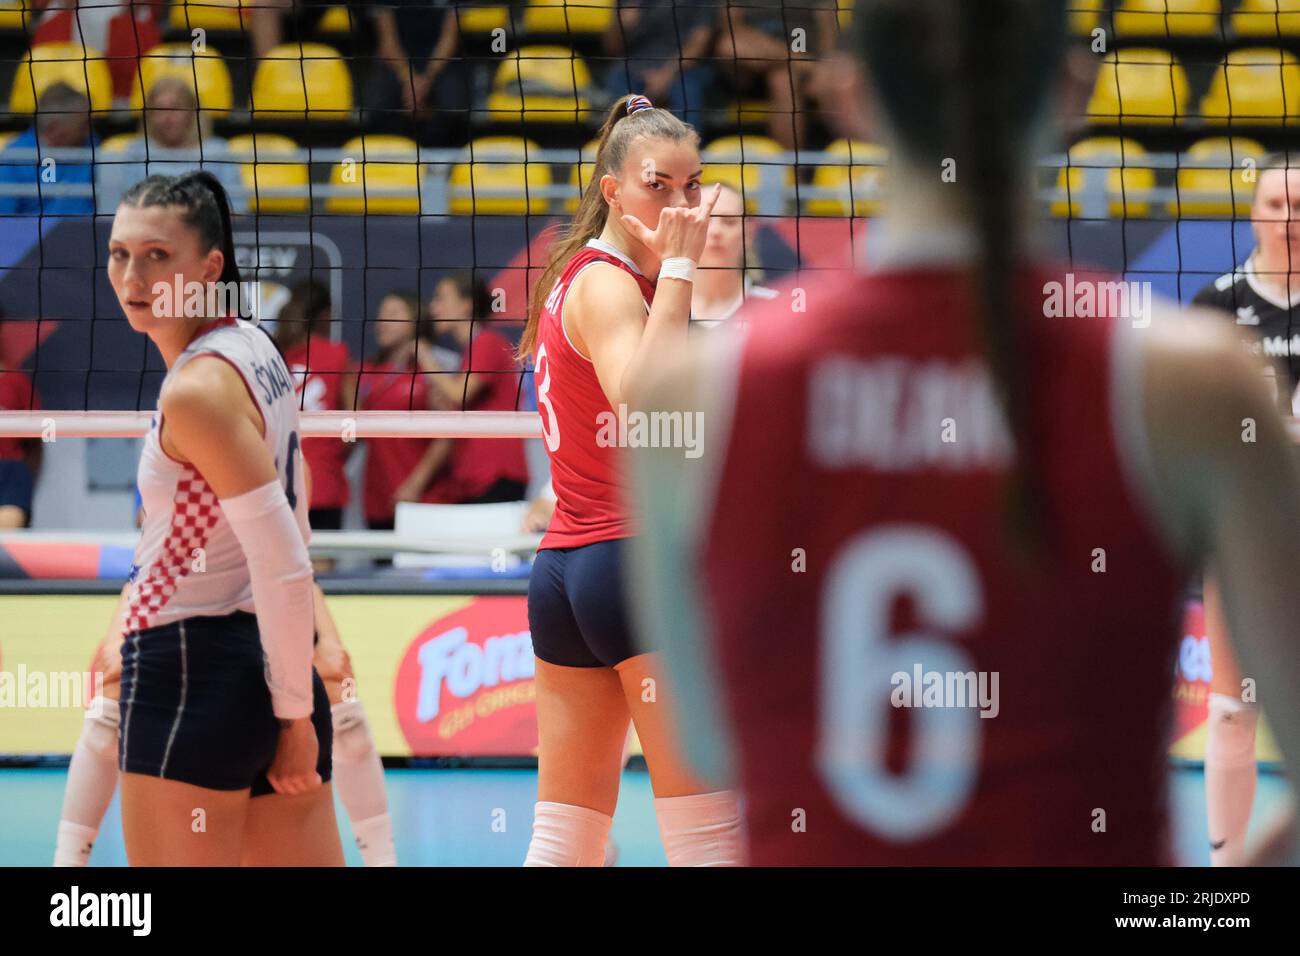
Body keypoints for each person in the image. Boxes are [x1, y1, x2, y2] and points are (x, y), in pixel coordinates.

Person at [628, 0, 1300, 865]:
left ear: (849, 97)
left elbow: (711, 740)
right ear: (1072, 89)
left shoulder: (693, 389)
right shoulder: (1193, 377)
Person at [518, 92, 743, 867]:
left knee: (567, 840)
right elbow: (643, 404)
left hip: (571, 575)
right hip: (633, 568)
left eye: (693, 186)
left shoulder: (596, 280)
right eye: (660, 185)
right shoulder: (610, 284)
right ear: (612, 190)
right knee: (713, 837)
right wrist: (680, 267)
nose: (682, 204)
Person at [104, 170, 342, 865]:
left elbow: (283, 558)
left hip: (187, 669)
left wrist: (293, 716)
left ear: (209, 265)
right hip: (263, 660)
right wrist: (294, 694)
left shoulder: (198, 390)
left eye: (156, 255)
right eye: (120, 254)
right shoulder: (254, 345)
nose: (133, 275)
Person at [1188, 152, 1300, 865]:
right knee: (1231, 714)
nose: (1291, 222)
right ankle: (1225, 884)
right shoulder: (1216, 306)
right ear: (1253, 214)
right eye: (1277, 207)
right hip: (1247, 532)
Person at [421, 272, 529, 504]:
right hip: (472, 477)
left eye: (441, 298)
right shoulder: (470, 352)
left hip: (496, 476)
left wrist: (424, 357)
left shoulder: (487, 342)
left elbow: (458, 394)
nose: (434, 307)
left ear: (466, 305)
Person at [356, 290, 448, 530]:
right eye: (382, 314)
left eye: (393, 314)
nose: (383, 321)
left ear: (414, 322)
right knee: (381, 567)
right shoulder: (365, 372)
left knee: (421, 568)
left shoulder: (431, 371)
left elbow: (447, 435)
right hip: (378, 496)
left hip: (421, 497)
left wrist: (415, 484)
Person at [276, 278, 357, 533]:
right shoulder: (338, 354)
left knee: (277, 569)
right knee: (322, 570)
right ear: (325, 316)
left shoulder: (268, 351)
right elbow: (355, 425)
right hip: (323, 480)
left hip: (275, 482)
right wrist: (331, 452)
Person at [95, 76, 242, 213]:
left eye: (175, 108)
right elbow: (121, 211)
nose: (167, 117)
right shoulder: (135, 152)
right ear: (149, 116)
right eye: (159, 109)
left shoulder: (219, 151)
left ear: (192, 112)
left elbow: (237, 210)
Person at [690, 182, 778, 330]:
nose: (715, 231)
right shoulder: (656, 306)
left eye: (729, 222)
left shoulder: (775, 306)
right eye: (704, 220)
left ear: (748, 232)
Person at [0, 83, 96, 216]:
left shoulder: (93, 146)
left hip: (87, 233)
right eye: (83, 125)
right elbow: (4, 222)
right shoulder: (14, 159)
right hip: (32, 235)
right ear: (54, 128)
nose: (88, 131)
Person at [0, 329, 42, 528]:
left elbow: (41, 437)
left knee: (6, 541)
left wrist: (27, 481)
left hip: (9, 472)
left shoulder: (17, 383)